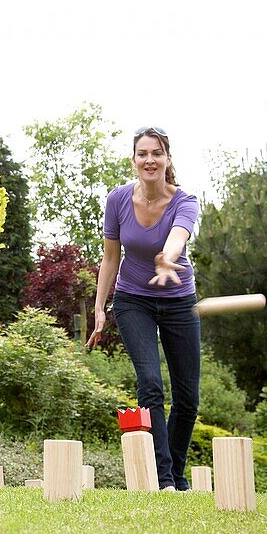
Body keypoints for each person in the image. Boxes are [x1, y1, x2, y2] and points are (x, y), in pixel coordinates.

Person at [87, 125, 200, 492]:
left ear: (168, 159)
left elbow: (178, 235)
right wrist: (100, 307)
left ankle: (177, 476)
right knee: (150, 383)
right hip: (133, 298)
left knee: (188, 398)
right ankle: (163, 479)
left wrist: (167, 259)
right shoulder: (118, 200)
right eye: (143, 154)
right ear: (134, 159)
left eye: (157, 153)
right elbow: (109, 257)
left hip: (179, 301)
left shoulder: (185, 201)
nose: (149, 160)